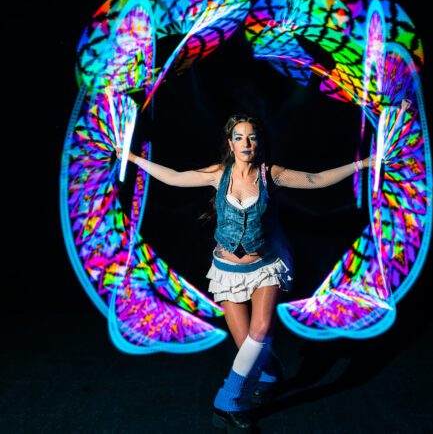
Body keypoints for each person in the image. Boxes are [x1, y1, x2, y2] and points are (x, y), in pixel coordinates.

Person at [116, 113, 372, 432]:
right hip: (227, 271)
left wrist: (363, 164)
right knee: (247, 345)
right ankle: (271, 376)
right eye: (239, 137)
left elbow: (317, 179)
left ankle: (228, 401)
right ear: (230, 143)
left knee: (260, 330)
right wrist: (133, 158)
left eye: (252, 137)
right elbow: (174, 177)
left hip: (264, 268)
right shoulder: (218, 174)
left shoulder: (270, 174)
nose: (246, 143)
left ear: (259, 142)